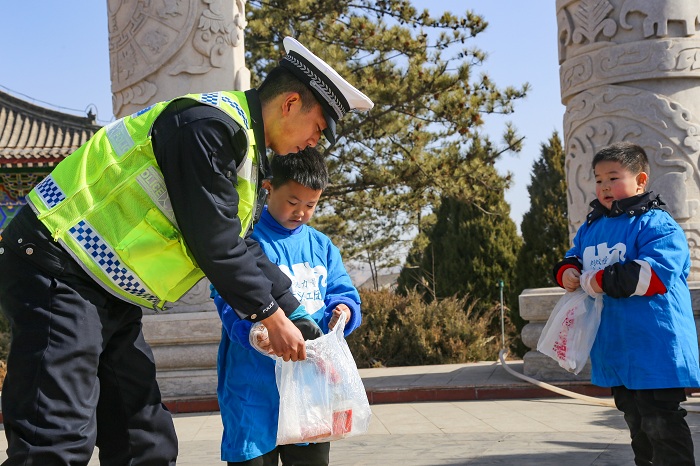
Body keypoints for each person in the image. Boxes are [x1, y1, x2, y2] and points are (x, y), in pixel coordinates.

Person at [0, 36, 372, 465]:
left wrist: (296, 314)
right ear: (290, 104)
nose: (315, 142)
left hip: (107, 292)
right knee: (56, 438)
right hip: (57, 268)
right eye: (318, 128)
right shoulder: (208, 128)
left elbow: (241, 244)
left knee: (145, 441)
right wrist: (271, 317)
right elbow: (213, 242)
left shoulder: (243, 148)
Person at [211, 147, 362, 466]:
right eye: (293, 202)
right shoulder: (244, 241)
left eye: (310, 205)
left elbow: (342, 290)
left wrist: (343, 311)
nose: (301, 212)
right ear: (268, 188)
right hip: (253, 385)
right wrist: (253, 331)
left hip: (310, 388)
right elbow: (226, 296)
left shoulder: (321, 246)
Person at [552, 141, 700, 466]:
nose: (604, 186)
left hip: (656, 346)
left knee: (662, 422)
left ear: (641, 180)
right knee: (637, 424)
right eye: (598, 179)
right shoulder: (591, 227)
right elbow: (574, 256)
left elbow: (654, 274)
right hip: (616, 348)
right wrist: (567, 272)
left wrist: (600, 280)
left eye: (613, 178)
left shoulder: (657, 223)